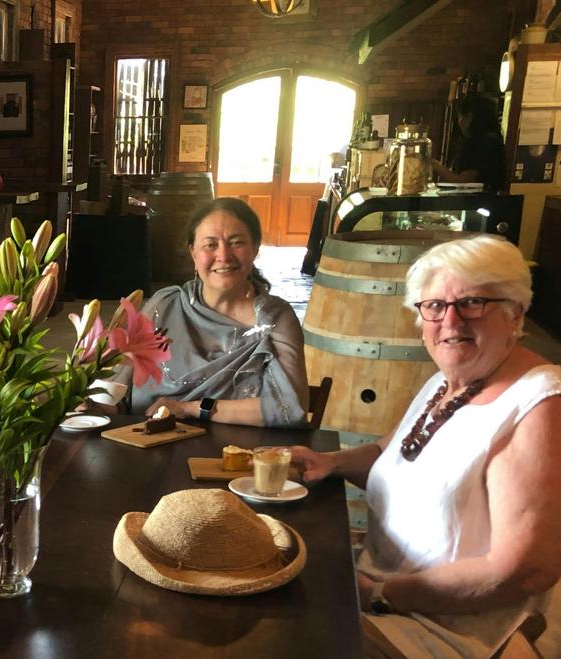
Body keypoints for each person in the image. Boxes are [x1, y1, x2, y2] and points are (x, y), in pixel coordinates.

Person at [289, 235, 561, 658]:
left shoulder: (537, 404)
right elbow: (395, 453)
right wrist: (332, 462)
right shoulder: (446, 381)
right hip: (382, 594)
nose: (450, 322)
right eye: (435, 306)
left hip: (454, 631)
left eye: (473, 302)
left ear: (515, 312)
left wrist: (383, 594)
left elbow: (523, 570)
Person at [86, 197, 309, 428]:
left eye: (236, 242)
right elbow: (119, 398)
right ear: (193, 253)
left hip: (232, 455)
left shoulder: (275, 319)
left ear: (255, 248)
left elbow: (289, 408)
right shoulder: (163, 306)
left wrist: (190, 408)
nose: (223, 255)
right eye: (210, 245)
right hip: (145, 446)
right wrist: (91, 405)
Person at [431, 95, 506, 192]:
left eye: (460, 117)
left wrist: (437, 167)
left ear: (469, 117)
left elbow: (463, 182)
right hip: (489, 202)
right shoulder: (494, 139)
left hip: (478, 203)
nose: (459, 122)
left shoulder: (483, 143)